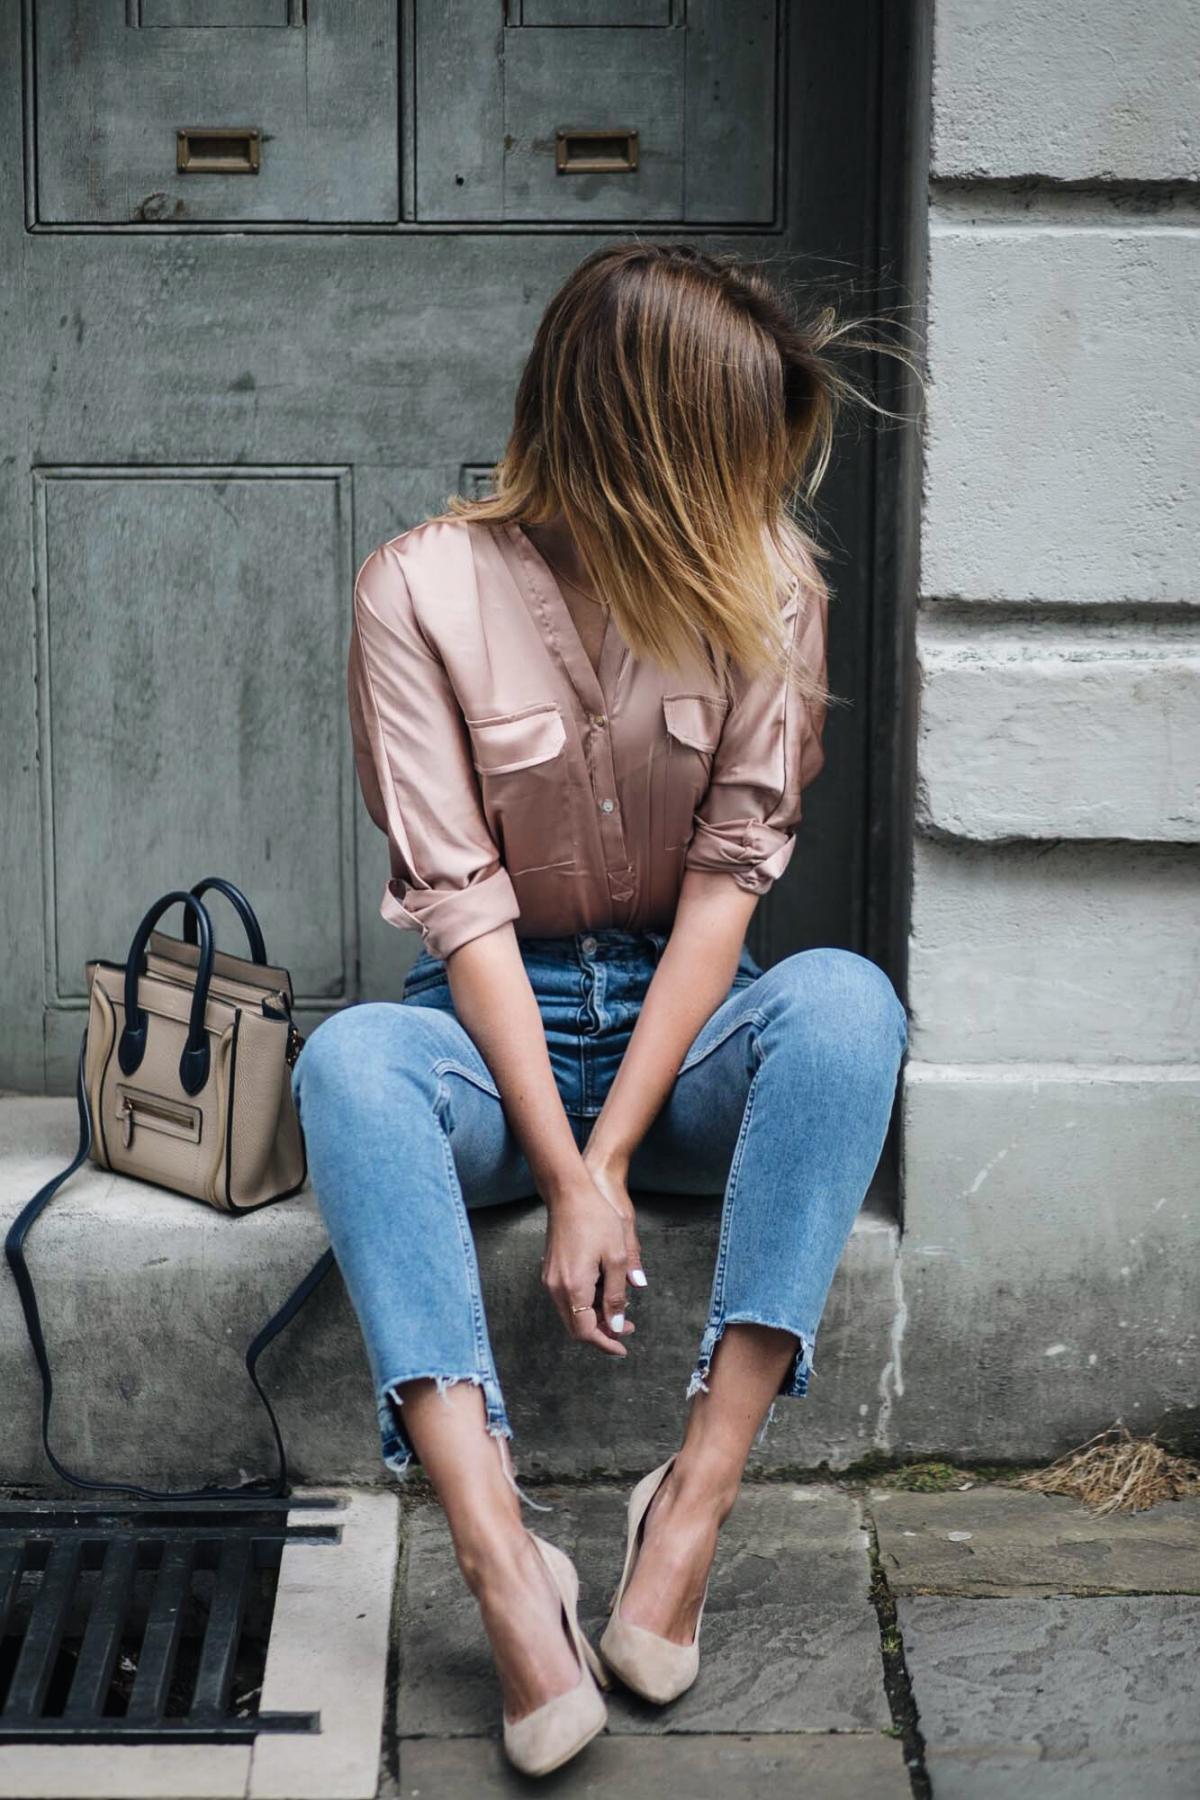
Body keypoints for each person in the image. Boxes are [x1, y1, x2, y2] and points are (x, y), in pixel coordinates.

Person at [291, 241, 911, 1778]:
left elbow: (728, 886)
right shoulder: (417, 589)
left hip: (682, 1035)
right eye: (733, 452)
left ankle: (688, 1505)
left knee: (844, 1002)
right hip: (489, 1038)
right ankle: (505, 1565)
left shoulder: (771, 580)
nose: (761, 491)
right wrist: (560, 1172)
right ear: (644, 442)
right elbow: (462, 903)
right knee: (353, 1060)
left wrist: (615, 1157)